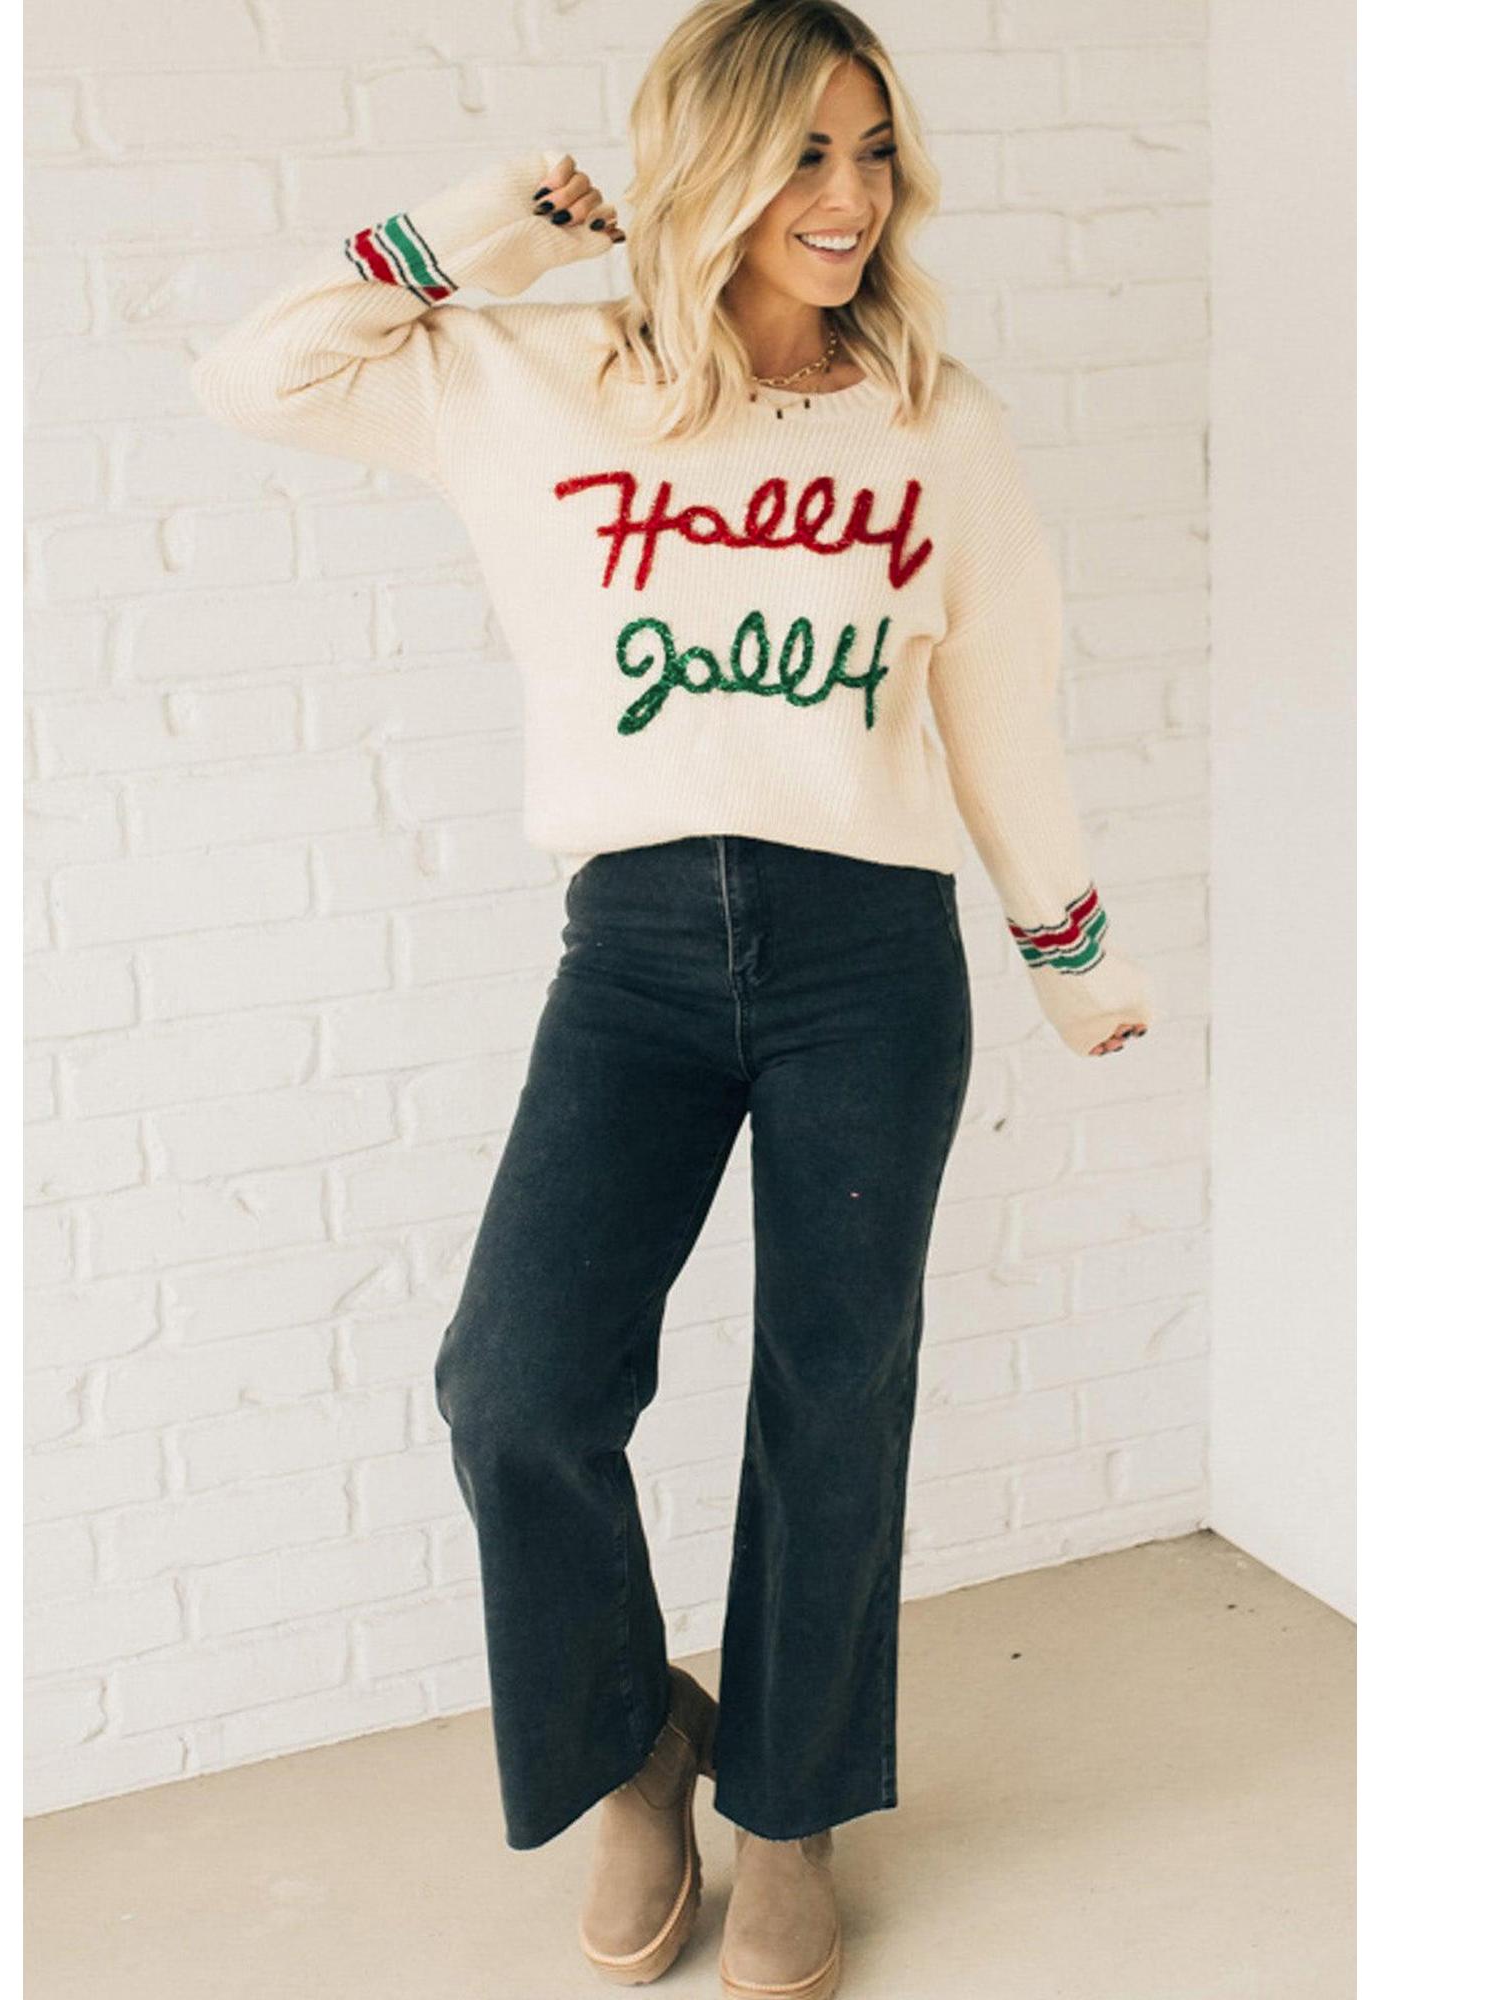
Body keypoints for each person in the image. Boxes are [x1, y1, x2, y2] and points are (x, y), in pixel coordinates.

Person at [191, 5, 1156, 1993]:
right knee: (515, 1384)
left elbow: (1001, 705)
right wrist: (494, 225)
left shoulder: (937, 424)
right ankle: (632, 1745)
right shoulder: (539, 378)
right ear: (706, 164)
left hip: (869, 955)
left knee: (834, 1390)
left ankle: (788, 1808)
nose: (848, 195)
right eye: (801, 151)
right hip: (630, 954)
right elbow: (260, 372)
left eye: (871, 150)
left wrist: (1070, 955)